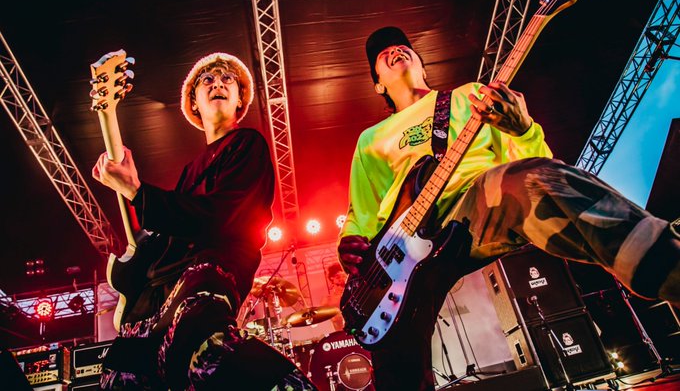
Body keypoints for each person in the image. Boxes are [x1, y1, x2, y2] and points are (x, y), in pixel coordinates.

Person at [337, 26, 680, 391]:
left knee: (533, 180)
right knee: (393, 349)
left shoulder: (469, 96)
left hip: (475, 205)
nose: (395, 50)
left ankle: (665, 262)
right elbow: (362, 212)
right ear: (378, 84)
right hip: (402, 247)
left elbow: (539, 164)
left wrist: (523, 130)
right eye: (382, 54)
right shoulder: (369, 140)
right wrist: (350, 242)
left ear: (422, 65)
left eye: (403, 46)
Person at [93, 52, 316, 390]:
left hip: (209, 273)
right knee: (119, 375)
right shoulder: (190, 170)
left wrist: (138, 192)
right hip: (159, 293)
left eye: (228, 79)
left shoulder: (247, 144)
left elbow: (218, 217)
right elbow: (170, 231)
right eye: (207, 80)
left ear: (240, 100)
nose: (218, 83)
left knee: (202, 346)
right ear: (193, 104)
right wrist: (133, 197)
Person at [320, 262, 347, 331]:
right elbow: (320, 318)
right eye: (338, 277)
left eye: (343, 276)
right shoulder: (327, 300)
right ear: (332, 279)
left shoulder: (354, 292)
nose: (342, 279)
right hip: (341, 333)